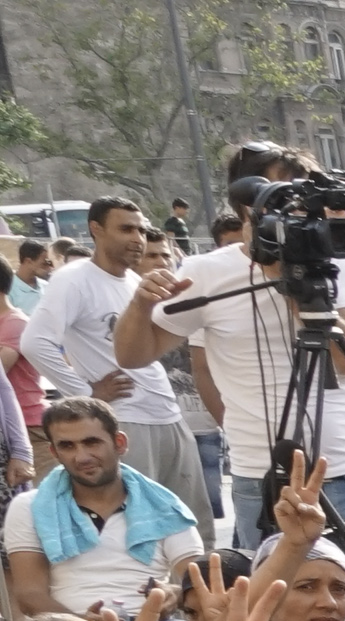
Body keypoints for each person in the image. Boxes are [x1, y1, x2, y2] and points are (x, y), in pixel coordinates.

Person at [113, 144, 345, 621]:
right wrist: (138, 304)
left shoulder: (336, 266)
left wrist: (299, 281)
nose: (300, 209)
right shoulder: (208, 273)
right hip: (264, 483)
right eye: (285, 196)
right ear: (248, 205)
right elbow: (132, 353)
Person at [24, 195, 216, 535]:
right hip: (126, 421)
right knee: (138, 531)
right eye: (126, 229)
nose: (137, 238)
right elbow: (34, 342)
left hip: (168, 416)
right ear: (95, 230)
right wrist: (87, 396)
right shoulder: (74, 278)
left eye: (141, 230)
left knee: (192, 529)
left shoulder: (133, 283)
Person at [7, 397, 205, 619]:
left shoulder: (163, 506)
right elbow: (29, 596)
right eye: (67, 446)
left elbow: (200, 584)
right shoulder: (29, 507)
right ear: (54, 452)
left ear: (119, 443)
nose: (82, 457)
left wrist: (177, 593)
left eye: (92, 443)